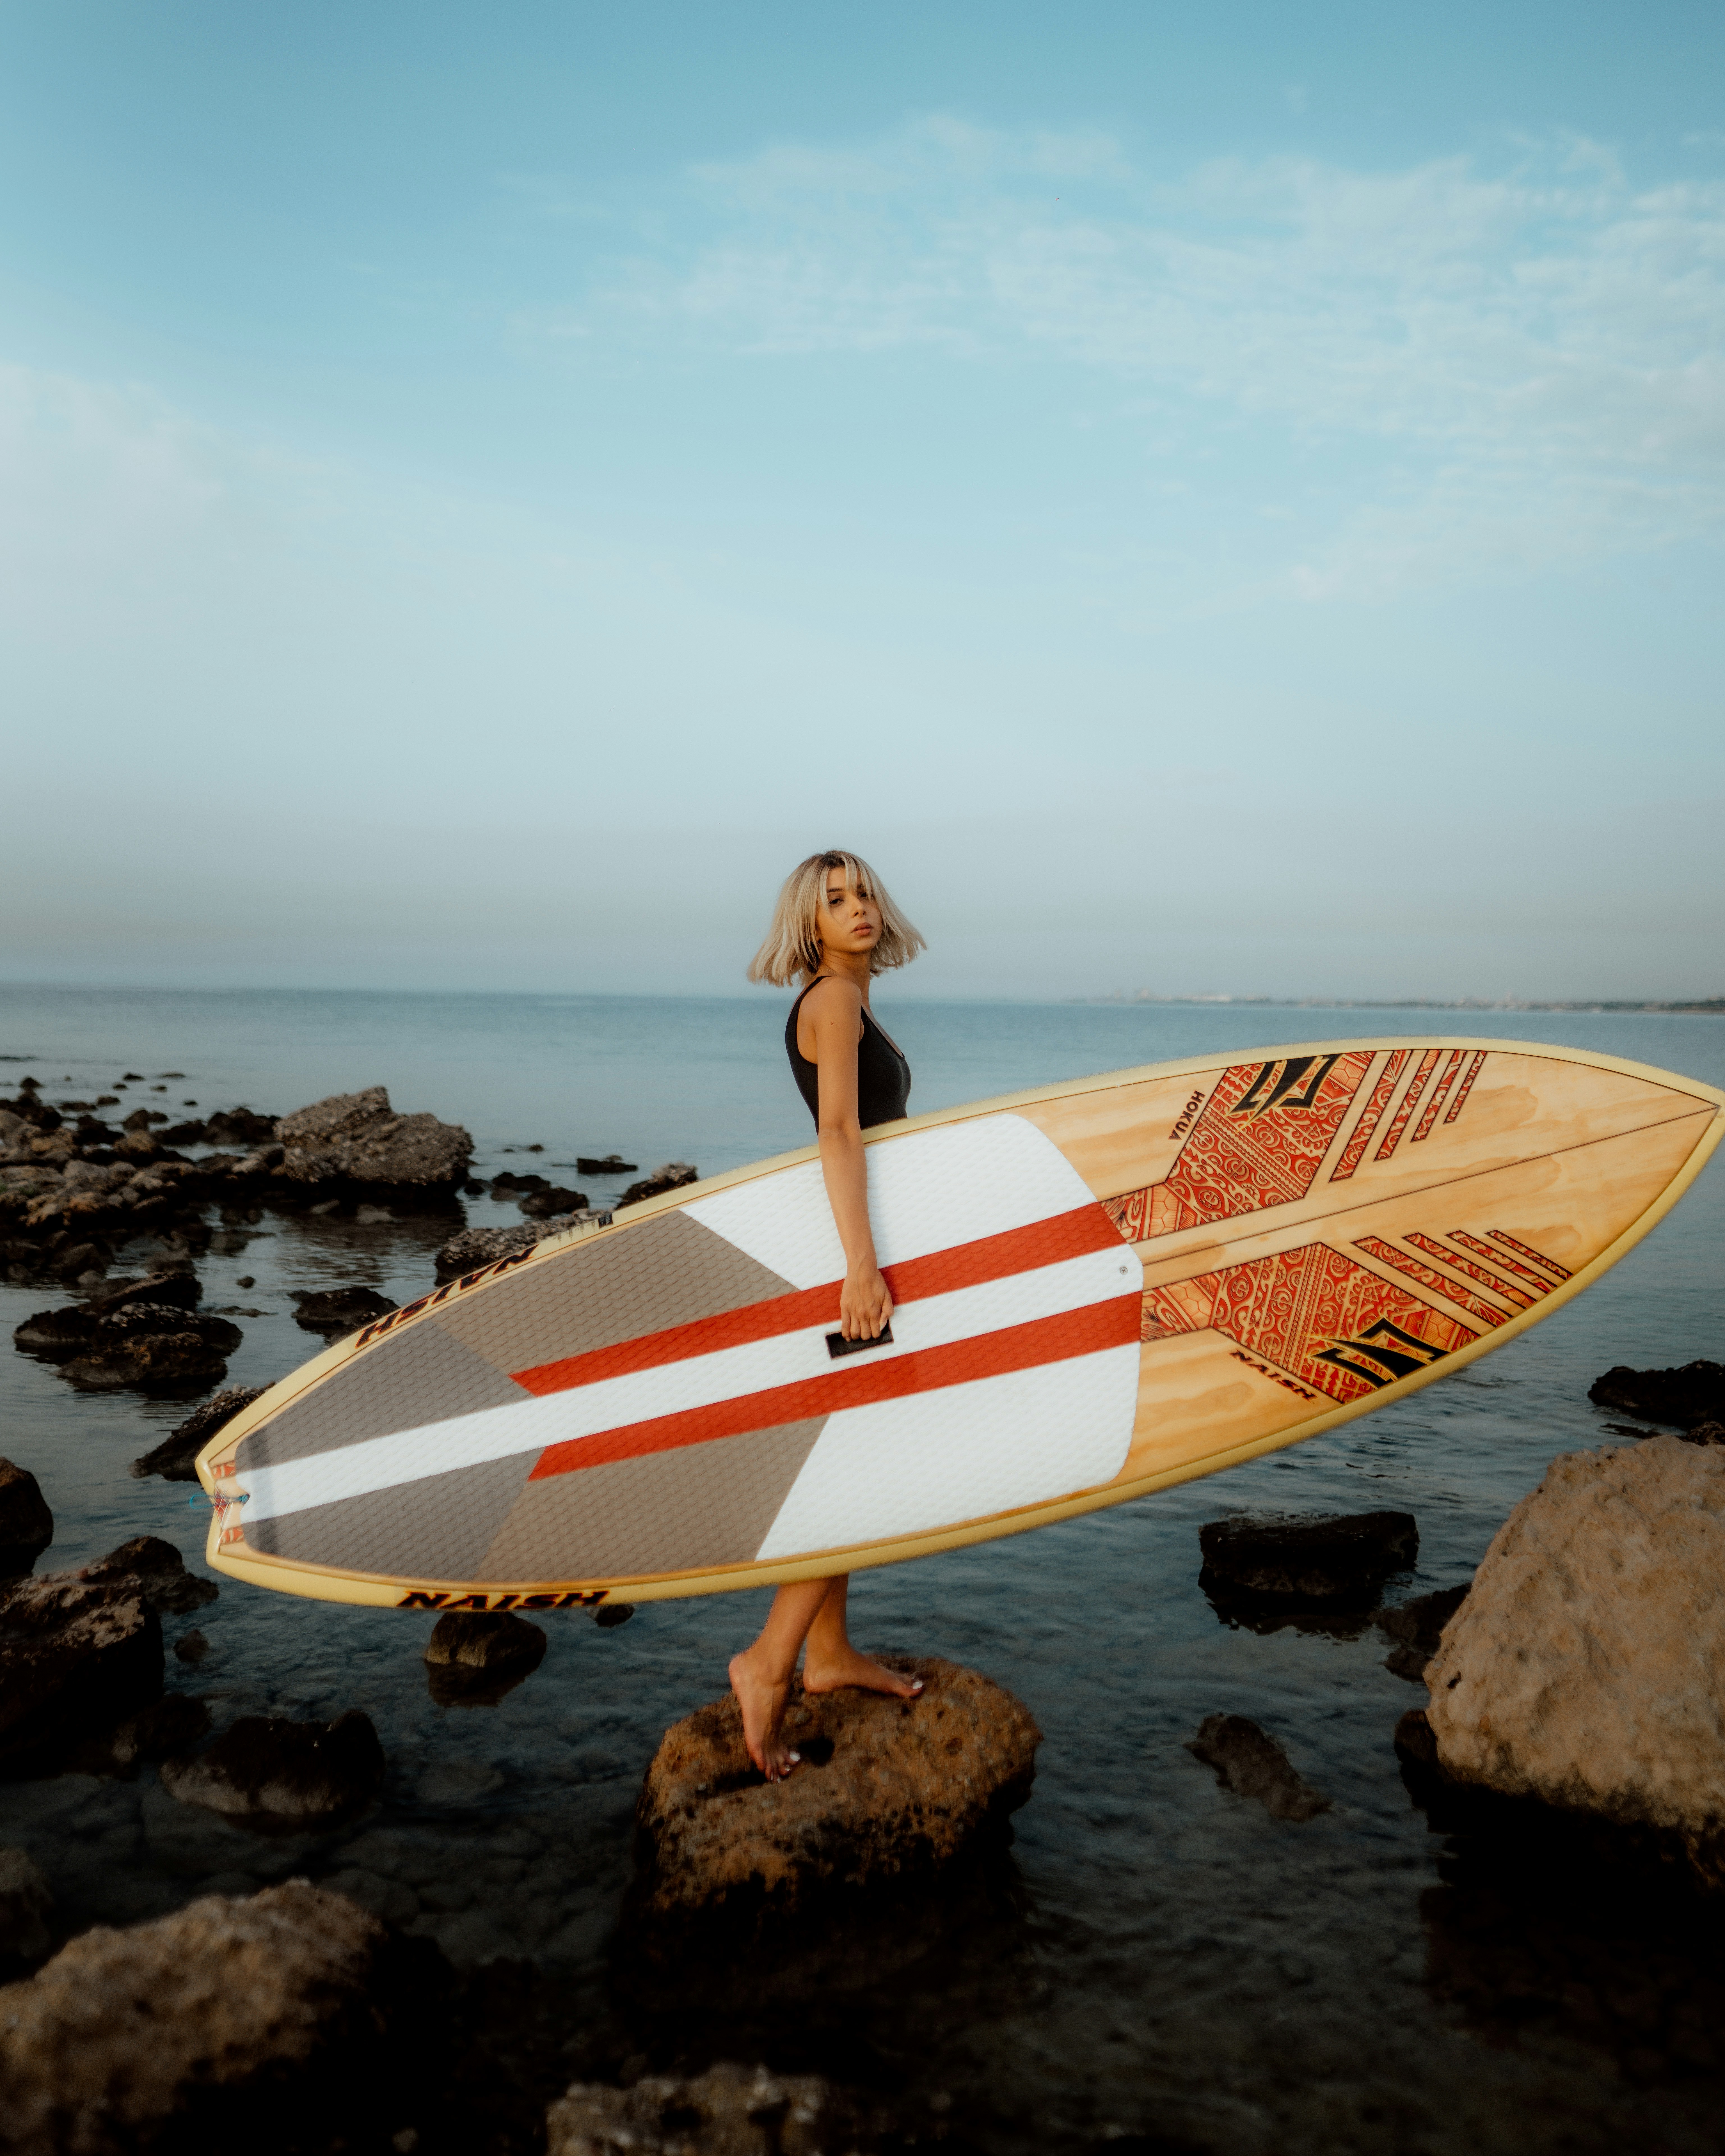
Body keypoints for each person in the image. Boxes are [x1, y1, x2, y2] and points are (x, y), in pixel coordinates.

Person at [728, 849, 928, 1778]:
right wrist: (861, 1267)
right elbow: (838, 1130)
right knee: (854, 1461)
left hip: (849, 1247)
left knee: (854, 1449)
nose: (856, 909)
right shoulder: (835, 1001)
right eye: (834, 900)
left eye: (863, 894)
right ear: (808, 922)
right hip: (847, 1257)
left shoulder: (841, 997)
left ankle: (828, 1654)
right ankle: (768, 1661)